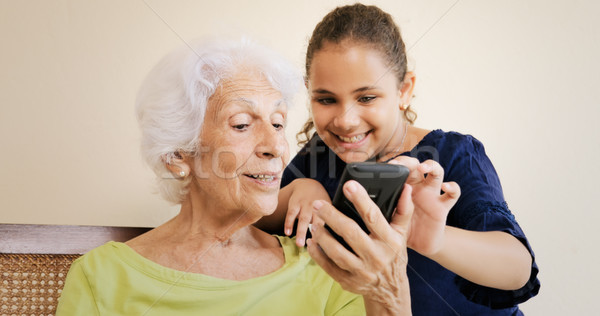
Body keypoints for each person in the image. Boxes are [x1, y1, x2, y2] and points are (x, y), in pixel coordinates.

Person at [55, 38, 414, 315]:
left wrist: (391, 290)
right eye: (242, 124)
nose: (276, 146)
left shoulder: (324, 268)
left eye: (278, 123)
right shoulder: (101, 276)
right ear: (178, 155)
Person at [258, 3, 540, 315]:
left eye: (366, 97)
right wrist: (297, 192)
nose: (346, 120)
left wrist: (434, 239)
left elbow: (518, 269)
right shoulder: (319, 154)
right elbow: (255, 217)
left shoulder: (454, 155)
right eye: (326, 99)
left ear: (404, 90)